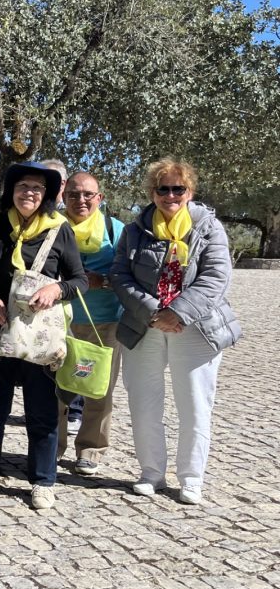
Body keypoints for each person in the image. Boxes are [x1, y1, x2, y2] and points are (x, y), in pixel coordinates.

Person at [0, 162, 87, 509]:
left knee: (41, 410)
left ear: (47, 195)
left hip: (40, 335)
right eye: (22, 186)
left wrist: (56, 290)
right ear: (11, 191)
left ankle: (43, 480)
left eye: (37, 188)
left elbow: (80, 280)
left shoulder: (60, 229)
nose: (28, 193)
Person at [110, 158, 241, 505]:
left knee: (195, 404)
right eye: (163, 189)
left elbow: (216, 277)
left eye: (177, 188)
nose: (170, 195)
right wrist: (154, 312)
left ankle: (191, 478)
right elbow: (120, 275)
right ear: (152, 193)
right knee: (143, 402)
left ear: (190, 191)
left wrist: (177, 312)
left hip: (196, 326)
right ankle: (151, 472)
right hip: (146, 324)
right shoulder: (134, 231)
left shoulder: (209, 228)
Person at [51, 171, 126, 474]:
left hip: (105, 321)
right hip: (58, 321)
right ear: (64, 197)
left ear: (100, 198)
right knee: (55, 389)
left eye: (87, 194)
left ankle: (91, 449)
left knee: (99, 389)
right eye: (73, 194)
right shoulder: (52, 226)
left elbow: (129, 274)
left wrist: (103, 281)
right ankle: (52, 447)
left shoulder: (115, 230)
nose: (80, 200)